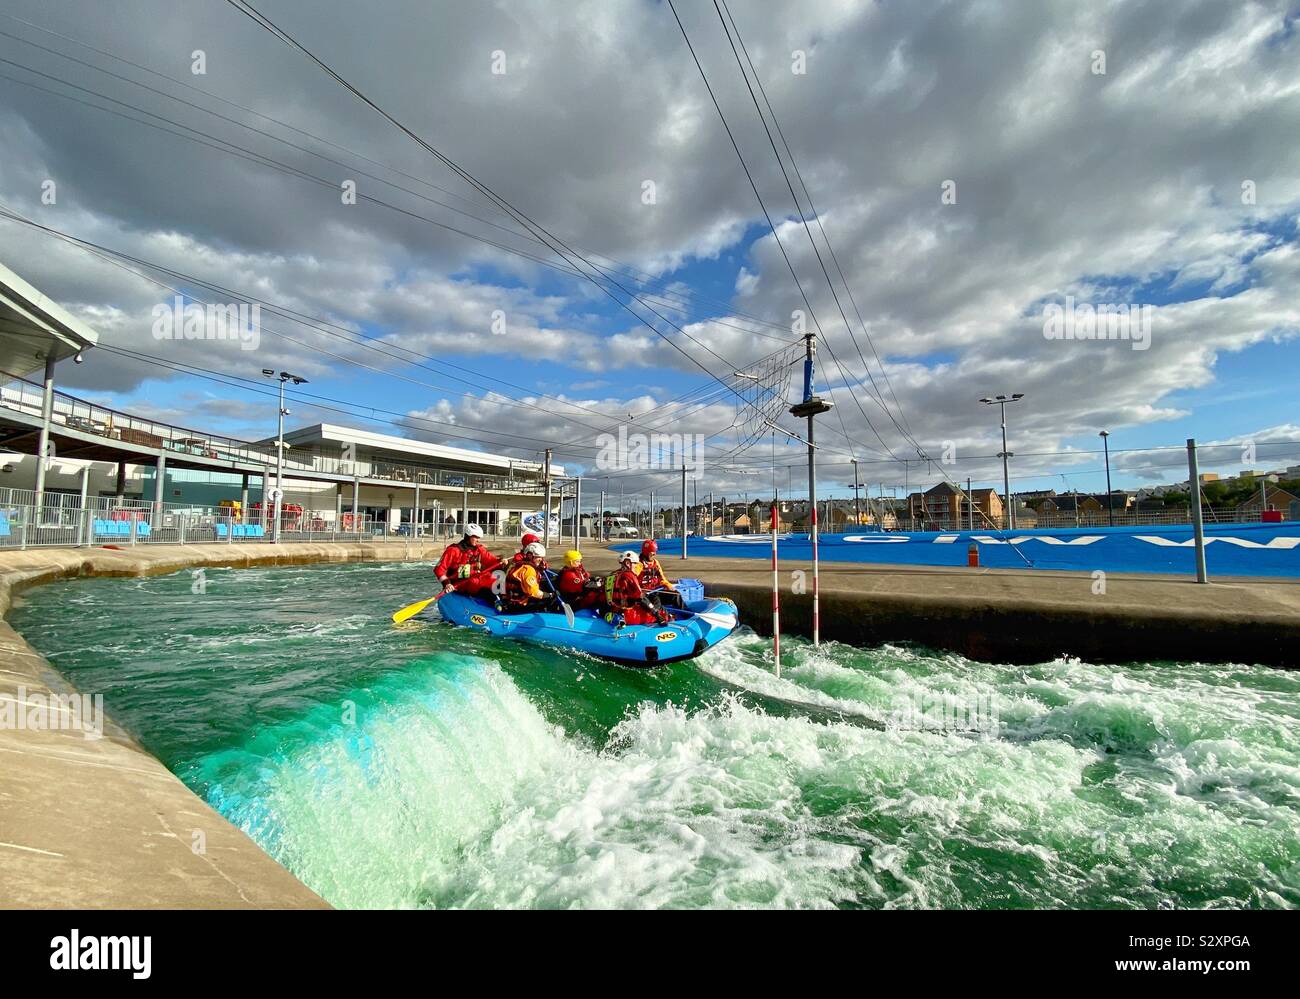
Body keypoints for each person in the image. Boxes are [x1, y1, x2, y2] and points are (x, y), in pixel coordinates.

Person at [434, 524, 502, 599]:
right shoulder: (453, 550)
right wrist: (447, 584)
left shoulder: (479, 549)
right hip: (458, 583)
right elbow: (439, 570)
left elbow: (491, 560)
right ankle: (493, 599)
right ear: (468, 536)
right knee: (475, 583)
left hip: (474, 578)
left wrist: (501, 561)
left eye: (478, 537)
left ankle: (503, 599)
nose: (478, 540)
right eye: (475, 537)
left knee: (498, 579)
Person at [603, 551, 670, 627]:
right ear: (628, 563)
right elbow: (641, 599)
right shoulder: (629, 576)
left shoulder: (611, 575)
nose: (637, 566)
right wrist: (657, 615)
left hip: (613, 611)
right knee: (662, 611)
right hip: (628, 615)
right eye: (635, 563)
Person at [503, 542, 559, 614]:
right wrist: (550, 595)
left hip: (516, 598)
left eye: (542, 557)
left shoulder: (522, 565)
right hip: (518, 604)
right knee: (551, 599)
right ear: (530, 556)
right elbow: (534, 592)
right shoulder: (528, 570)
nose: (541, 560)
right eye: (538, 557)